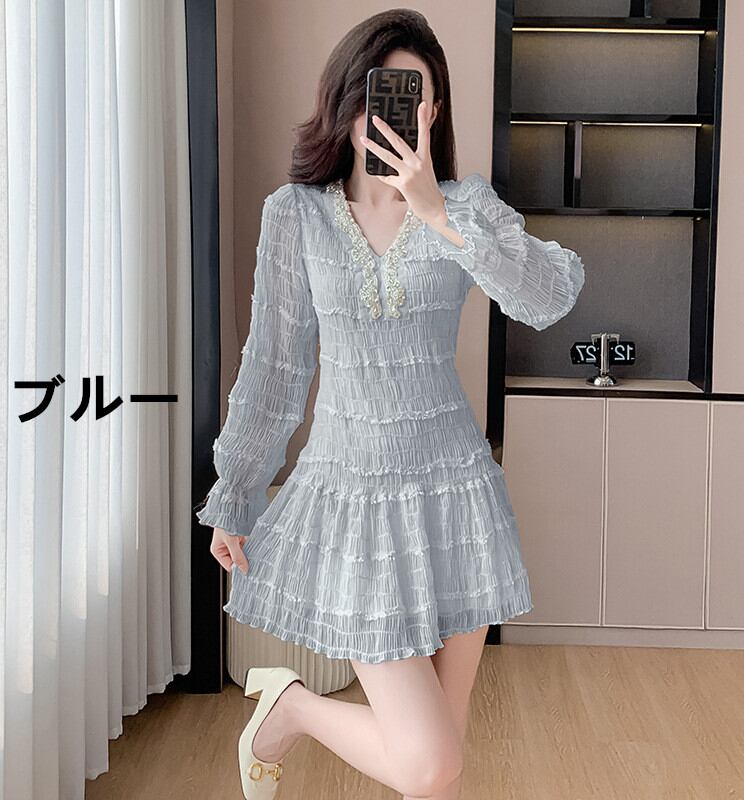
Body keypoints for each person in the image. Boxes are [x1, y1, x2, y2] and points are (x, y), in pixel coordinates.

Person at [196, 9, 585, 800]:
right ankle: (290, 708)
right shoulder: (296, 215)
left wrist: (438, 213)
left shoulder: (467, 206)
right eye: (385, 93)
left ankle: (289, 709)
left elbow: (550, 295)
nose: (400, 114)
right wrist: (235, 491)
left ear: (433, 113)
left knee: (441, 761)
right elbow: (273, 367)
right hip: (355, 504)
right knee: (428, 760)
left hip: (455, 497)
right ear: (349, 99)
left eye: (417, 98)